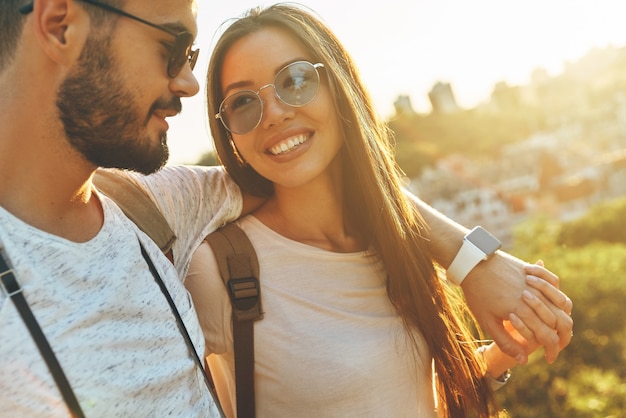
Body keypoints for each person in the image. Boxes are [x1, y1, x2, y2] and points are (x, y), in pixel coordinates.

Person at [0, 0, 569, 416]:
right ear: (59, 24)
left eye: (297, 80)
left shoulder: (152, 206)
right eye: (171, 47)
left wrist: (473, 261)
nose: (189, 83)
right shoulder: (210, 258)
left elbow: (339, 179)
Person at [185, 4, 573, 417]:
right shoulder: (219, 270)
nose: (275, 113)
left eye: (296, 80)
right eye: (243, 102)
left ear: (339, 84)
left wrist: (500, 355)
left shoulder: (397, 245)